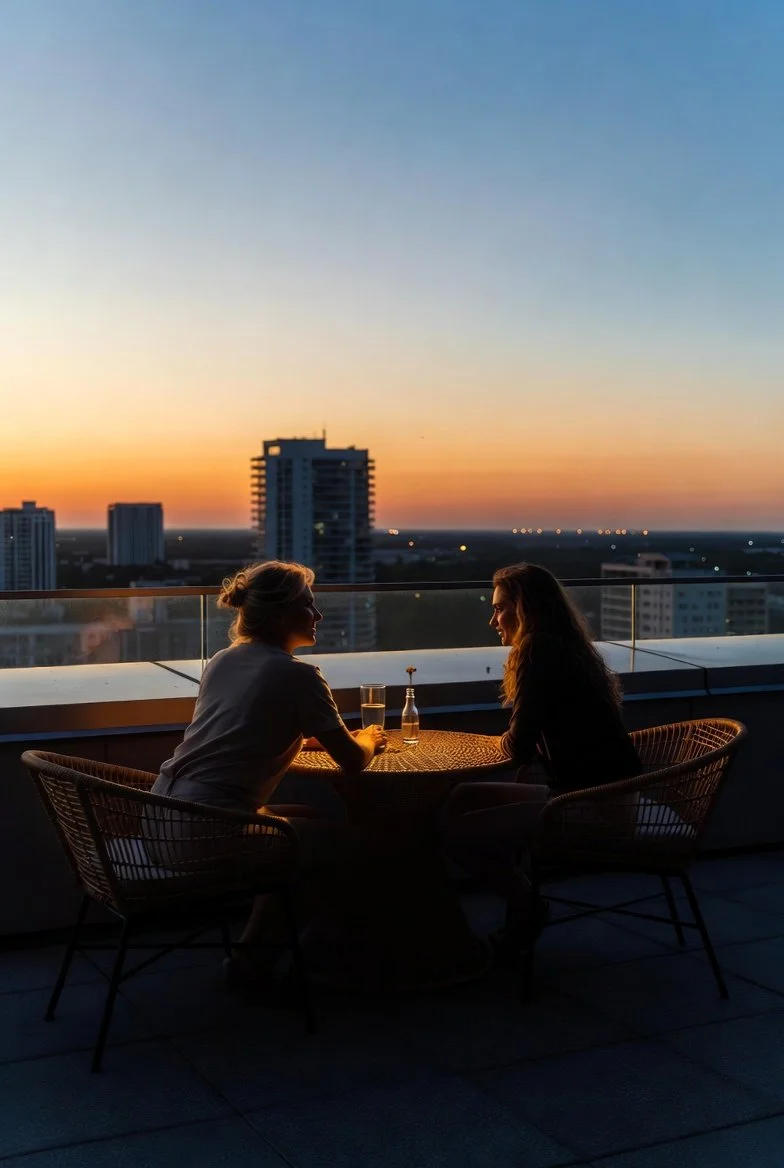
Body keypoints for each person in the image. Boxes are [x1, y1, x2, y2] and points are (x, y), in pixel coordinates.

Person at [150, 559, 387, 980]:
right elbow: (352, 761)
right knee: (347, 843)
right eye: (308, 605)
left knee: (309, 822)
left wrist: (309, 736)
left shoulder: (224, 660)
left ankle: (274, 945)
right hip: (206, 830)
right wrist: (369, 738)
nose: (318, 615)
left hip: (160, 816)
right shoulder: (298, 676)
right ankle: (262, 961)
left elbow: (245, 729)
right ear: (279, 614)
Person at [443, 562, 642, 947]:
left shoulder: (538, 651)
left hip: (594, 804)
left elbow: (517, 746)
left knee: (455, 829)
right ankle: (522, 903)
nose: (493, 620)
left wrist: (493, 744)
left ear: (526, 609)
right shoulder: (562, 646)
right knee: (459, 799)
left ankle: (525, 904)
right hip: (607, 791)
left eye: (500, 608)